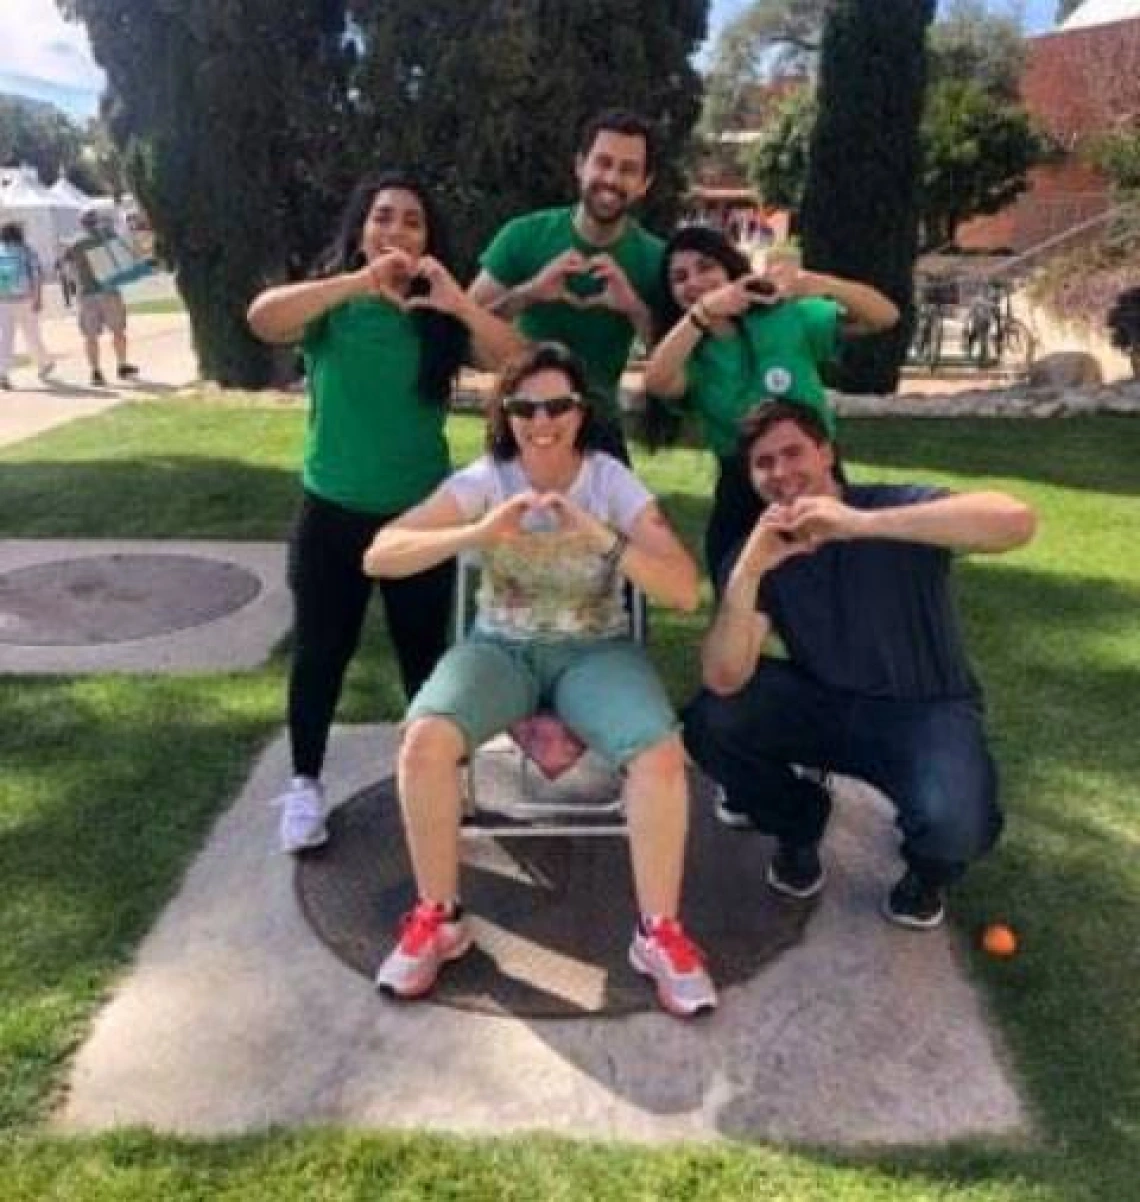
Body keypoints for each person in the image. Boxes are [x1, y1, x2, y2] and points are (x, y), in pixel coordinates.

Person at [362, 342, 717, 1017]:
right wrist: (476, 533)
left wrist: (600, 534)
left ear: (581, 412)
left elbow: (681, 590)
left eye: (557, 404)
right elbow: (380, 554)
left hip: (596, 652)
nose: (541, 418)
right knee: (424, 741)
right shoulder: (486, 480)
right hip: (502, 649)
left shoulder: (610, 481)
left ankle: (658, 933)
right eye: (524, 406)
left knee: (661, 755)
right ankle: (438, 917)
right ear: (506, 413)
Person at [247, 173, 523, 854]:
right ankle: (305, 786)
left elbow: (518, 363)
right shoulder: (332, 308)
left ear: (429, 240)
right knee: (320, 655)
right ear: (361, 229)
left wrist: (457, 303)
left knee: (426, 661)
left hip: (419, 519)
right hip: (331, 513)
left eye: (411, 222)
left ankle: (437, 780)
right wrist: (356, 281)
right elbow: (261, 318)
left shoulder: (437, 319)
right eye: (382, 218)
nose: (395, 232)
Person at [683, 402, 1036, 928]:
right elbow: (723, 676)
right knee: (712, 721)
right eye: (763, 463)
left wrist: (864, 524)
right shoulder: (761, 549)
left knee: (957, 826)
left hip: (925, 710)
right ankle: (799, 826)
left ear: (826, 452)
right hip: (826, 702)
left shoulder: (891, 507)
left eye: (793, 452)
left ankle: (925, 878)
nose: (780, 472)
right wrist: (746, 577)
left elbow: (1015, 521)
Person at [642, 226, 899, 580]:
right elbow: (655, 381)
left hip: (816, 477)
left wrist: (822, 283)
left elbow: (884, 316)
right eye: (680, 278)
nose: (695, 282)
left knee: (834, 591)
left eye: (705, 267)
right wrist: (700, 314)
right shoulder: (693, 355)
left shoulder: (784, 318)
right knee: (742, 605)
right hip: (743, 489)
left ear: (731, 270)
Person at [468, 109, 665, 462]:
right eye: (602, 162)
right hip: (521, 419)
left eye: (628, 169)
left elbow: (674, 366)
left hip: (599, 430)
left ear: (645, 184)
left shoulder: (655, 259)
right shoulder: (523, 236)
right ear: (580, 166)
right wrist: (528, 293)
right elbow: (462, 324)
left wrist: (634, 308)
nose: (612, 178)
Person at [58, 209, 140, 386]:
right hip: (109, 290)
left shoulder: (75, 243)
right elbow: (126, 256)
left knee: (90, 336)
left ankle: (96, 372)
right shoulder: (108, 236)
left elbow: (64, 267)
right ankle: (122, 365)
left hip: (86, 294)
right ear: (97, 221)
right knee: (118, 331)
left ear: (81, 224)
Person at [0, 222, 56, 389]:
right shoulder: (27, 250)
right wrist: (38, 298)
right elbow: (36, 275)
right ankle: (43, 363)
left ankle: (2, 372)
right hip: (25, 299)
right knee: (32, 334)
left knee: (5, 338)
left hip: (3, 300)